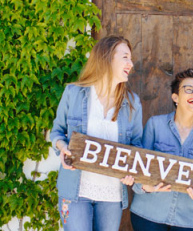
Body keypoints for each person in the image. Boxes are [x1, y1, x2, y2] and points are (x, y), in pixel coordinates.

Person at [50, 35, 142, 230]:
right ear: (107, 58)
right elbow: (57, 131)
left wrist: (131, 171)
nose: (131, 64)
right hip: (76, 191)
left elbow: (136, 147)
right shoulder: (74, 93)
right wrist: (63, 148)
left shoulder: (133, 103)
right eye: (125, 57)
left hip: (111, 194)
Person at [129, 68, 193, 231]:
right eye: (189, 89)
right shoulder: (154, 125)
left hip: (191, 222)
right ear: (175, 97)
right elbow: (138, 171)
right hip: (148, 215)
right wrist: (145, 187)